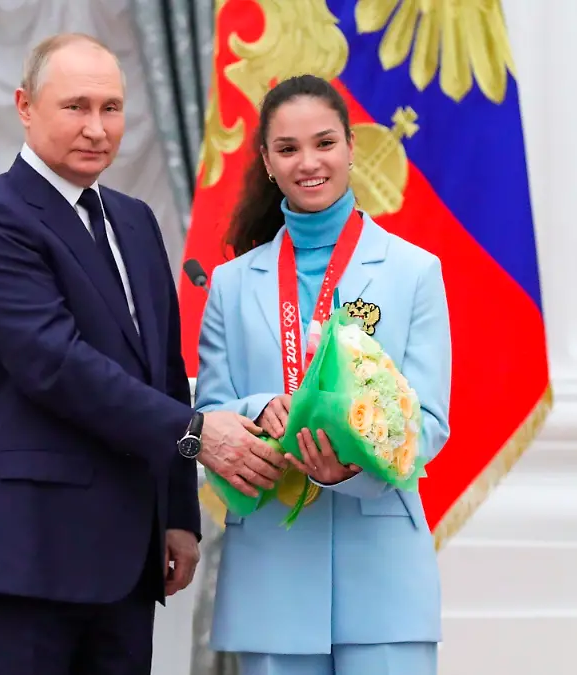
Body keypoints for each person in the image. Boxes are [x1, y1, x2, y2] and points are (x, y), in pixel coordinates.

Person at [0, 33, 286, 675]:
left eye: (112, 108)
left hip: (129, 557)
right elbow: (57, 365)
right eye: (75, 106)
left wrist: (179, 513)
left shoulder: (135, 221)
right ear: (24, 105)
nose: (97, 128)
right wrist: (196, 436)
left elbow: (162, 371)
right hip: (29, 554)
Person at [193, 74, 453, 675]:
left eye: (325, 143)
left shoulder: (414, 271)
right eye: (287, 148)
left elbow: (430, 422)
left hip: (384, 573)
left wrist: (354, 461)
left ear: (351, 147)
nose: (308, 162)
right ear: (266, 161)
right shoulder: (232, 284)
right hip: (271, 570)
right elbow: (208, 411)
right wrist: (260, 407)